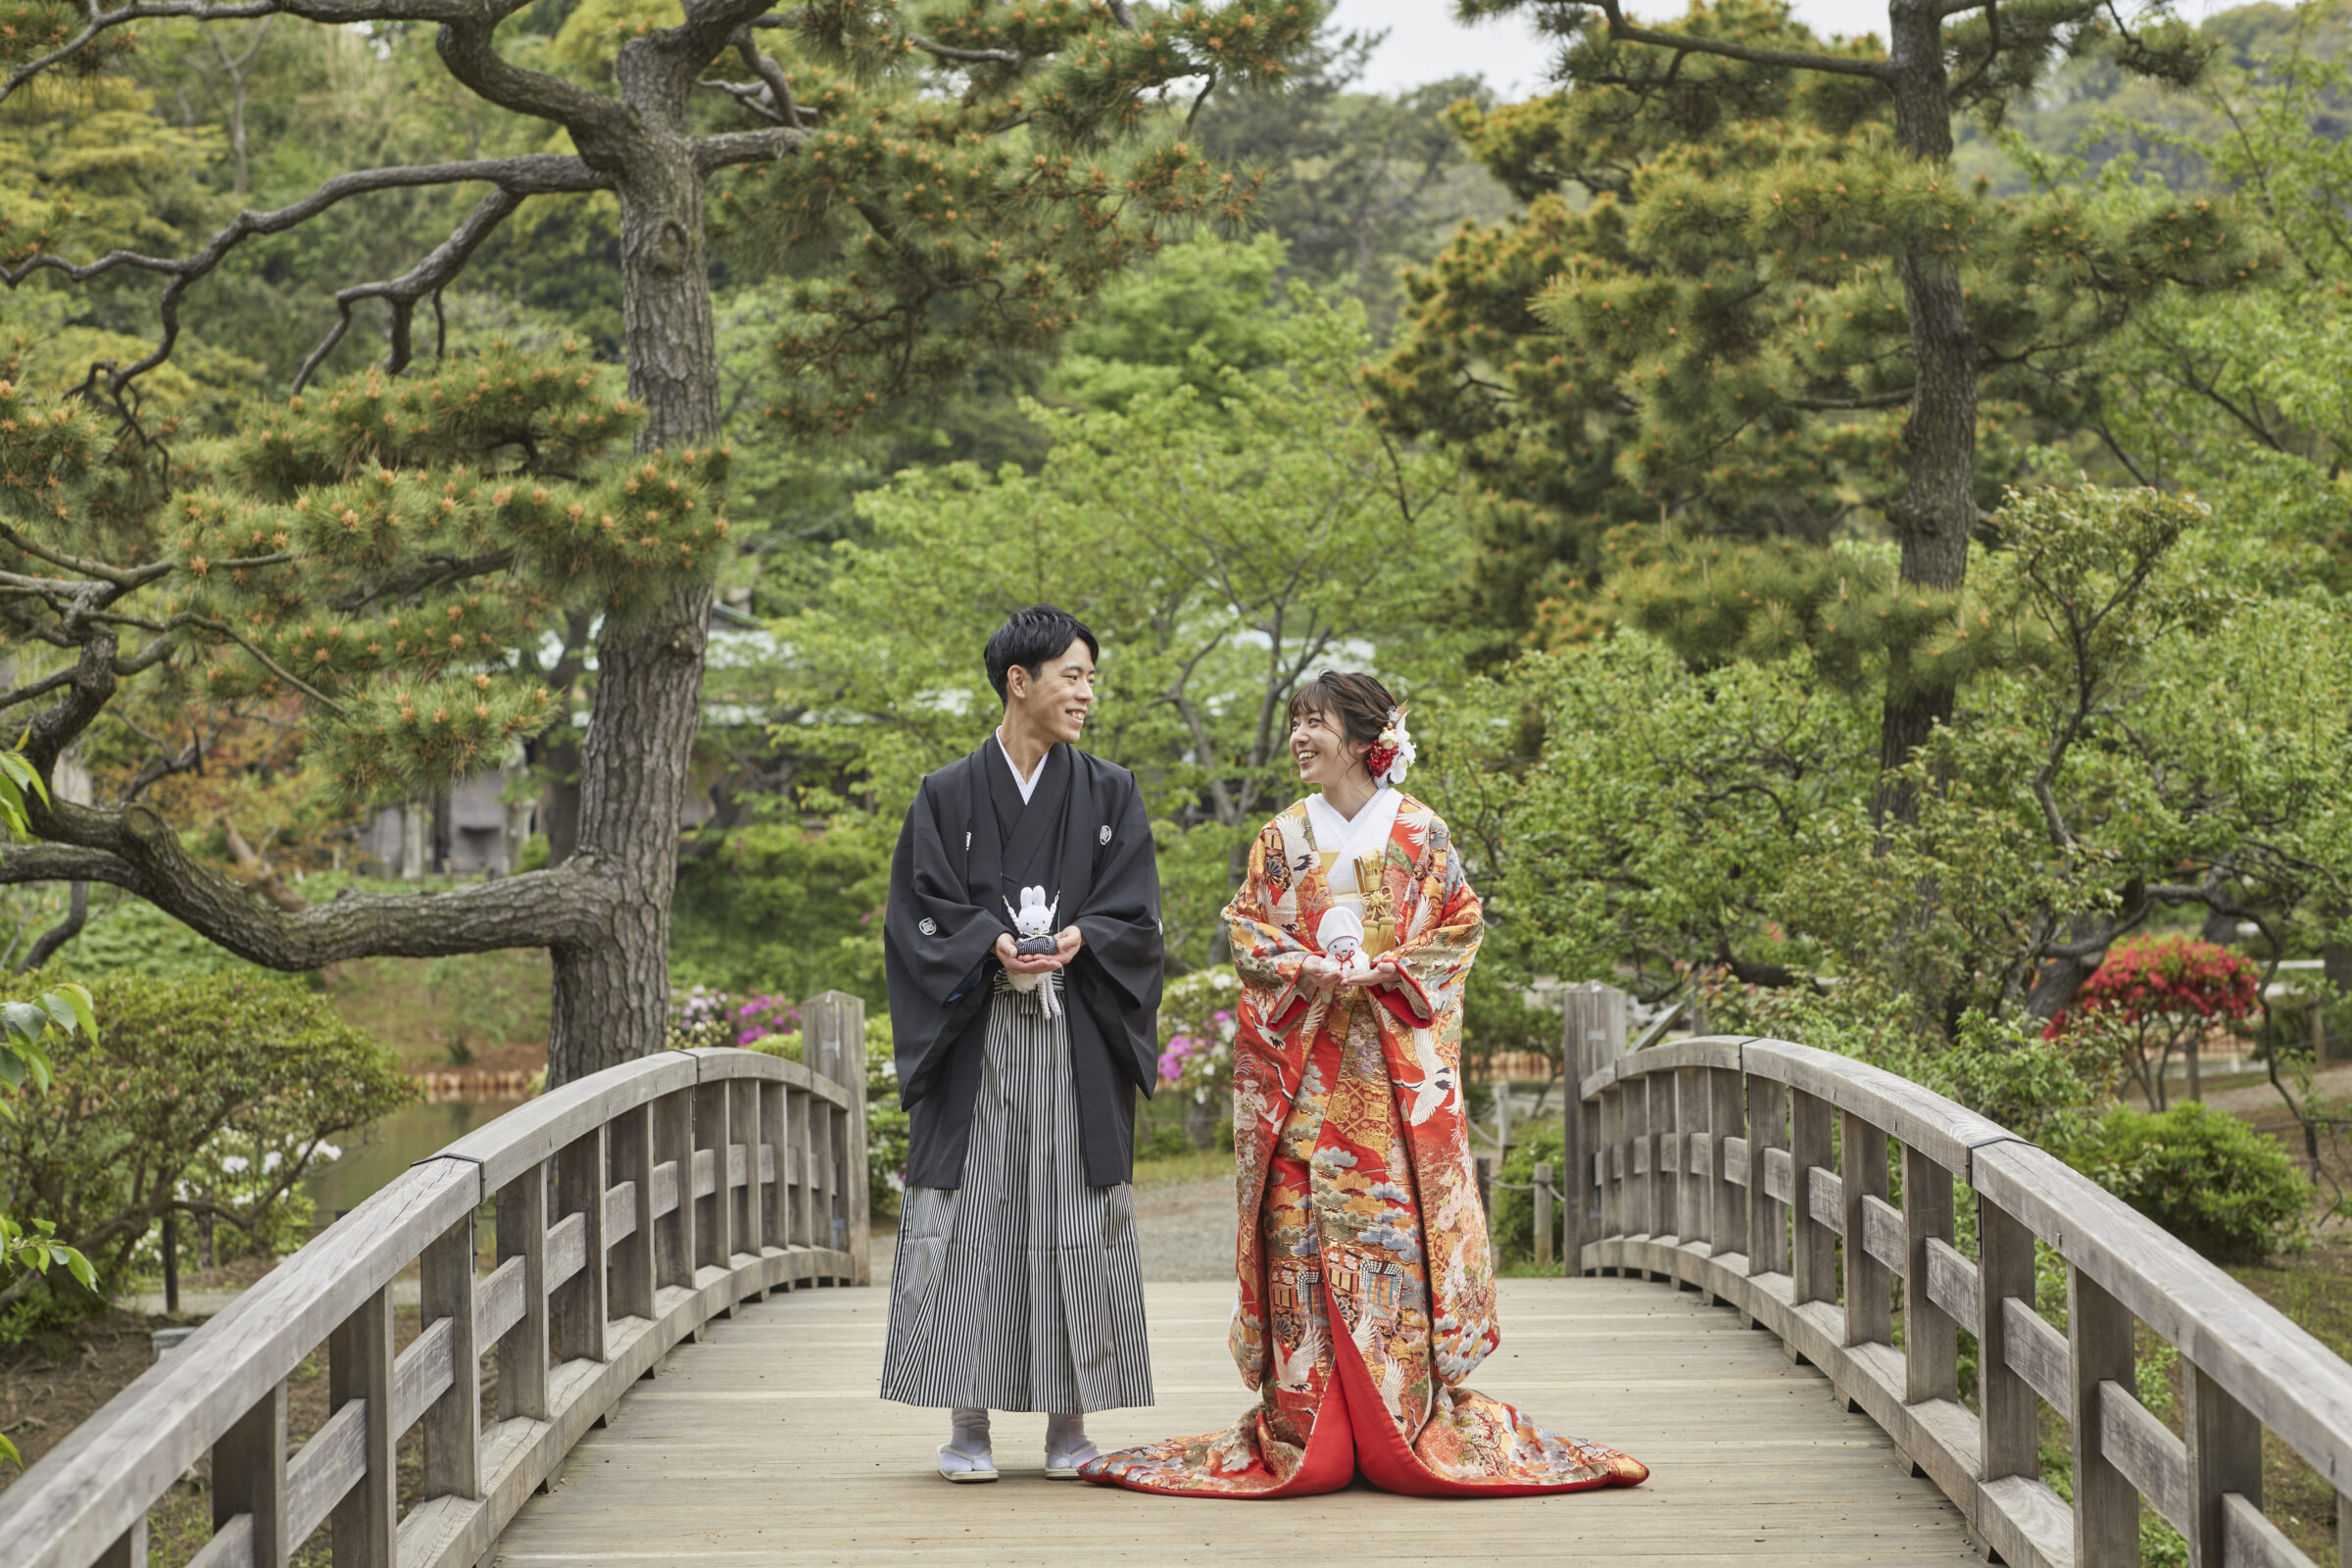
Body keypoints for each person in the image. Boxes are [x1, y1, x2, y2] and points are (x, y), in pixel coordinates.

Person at [1082, 671, 1648, 1498]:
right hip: (1301, 1088)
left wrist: (1385, 974)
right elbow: (1247, 935)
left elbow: (1459, 928)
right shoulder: (1279, 840)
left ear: (1362, 737)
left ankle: (1397, 1424)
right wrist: (1307, 967)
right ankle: (1305, 1426)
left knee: (1388, 1247)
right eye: (1296, 724)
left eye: (1316, 724)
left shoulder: (1420, 834)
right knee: (1297, 1242)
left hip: (1387, 1089)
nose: (1299, 739)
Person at [878, 605, 1164, 1484]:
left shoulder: (1110, 792)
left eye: (1089, 677)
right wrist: (985, 945)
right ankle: (968, 1426)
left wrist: (1087, 939)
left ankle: (1068, 1427)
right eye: (1072, 676)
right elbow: (916, 913)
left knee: (1070, 1216)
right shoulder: (946, 793)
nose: (1086, 693)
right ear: (1020, 682)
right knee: (975, 1216)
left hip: (1074, 1034)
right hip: (979, 1038)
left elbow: (1138, 918)